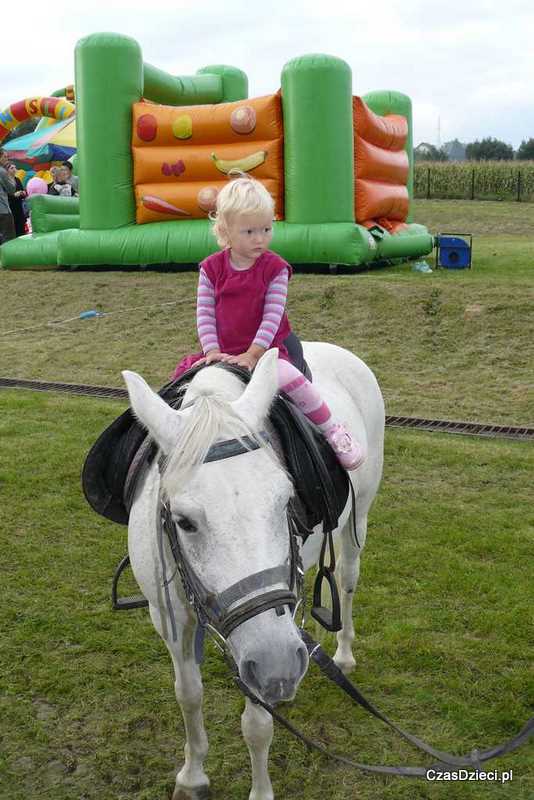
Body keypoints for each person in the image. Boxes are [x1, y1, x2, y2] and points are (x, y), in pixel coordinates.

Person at [171, 174, 365, 471]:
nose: (260, 238)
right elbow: (205, 313)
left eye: (266, 229)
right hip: (221, 352)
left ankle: (333, 430)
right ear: (225, 230)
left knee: (293, 381)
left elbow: (272, 317)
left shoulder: (274, 269)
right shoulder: (210, 269)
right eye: (249, 231)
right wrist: (210, 351)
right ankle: (170, 441)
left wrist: (253, 355)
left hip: (265, 352)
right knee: (180, 386)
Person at [0, 148, 16, 243]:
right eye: (5, 157)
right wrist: (11, 176)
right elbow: (11, 189)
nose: (7, 159)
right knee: (9, 239)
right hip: (3, 210)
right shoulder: (2, 171)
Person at [7, 164, 27, 237]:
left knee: (21, 226)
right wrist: (14, 195)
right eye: (12, 168)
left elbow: (22, 190)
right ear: (7, 170)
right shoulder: (6, 181)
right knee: (13, 227)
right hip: (10, 206)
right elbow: (5, 194)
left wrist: (23, 193)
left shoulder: (17, 179)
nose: (14, 169)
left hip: (19, 206)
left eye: (15, 167)